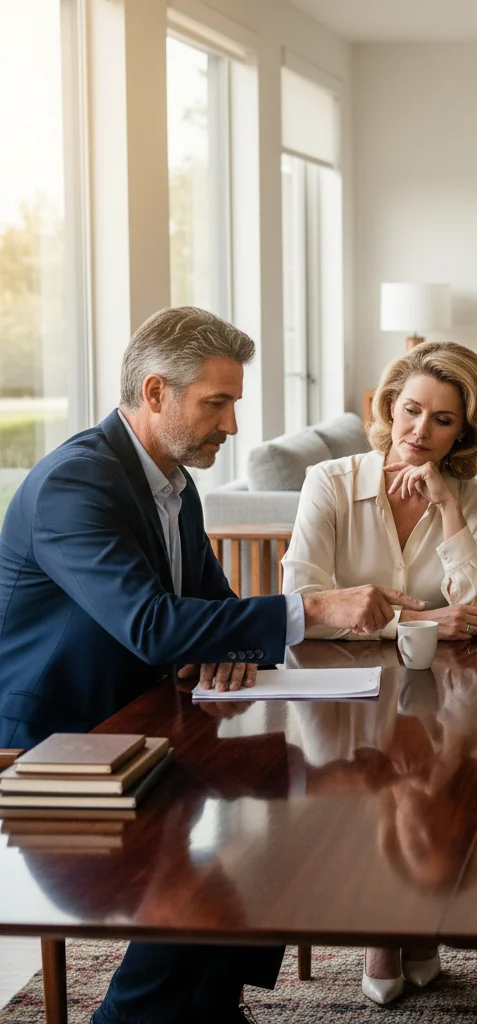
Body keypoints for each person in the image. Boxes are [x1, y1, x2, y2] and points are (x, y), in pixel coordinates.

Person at [0, 306, 425, 1024]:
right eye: (216, 403)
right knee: (215, 876)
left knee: (279, 833)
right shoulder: (76, 485)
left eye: (233, 403)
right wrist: (317, 609)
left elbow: (212, 610)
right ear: (157, 391)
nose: (231, 425)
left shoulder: (172, 485)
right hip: (58, 750)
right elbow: (155, 625)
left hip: (144, 725)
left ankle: (208, 1008)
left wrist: (219, 643)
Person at [282, 339, 477, 1004]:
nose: (421, 432)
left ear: (464, 429)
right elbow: (301, 607)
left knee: (443, 779)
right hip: (337, 689)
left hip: (441, 687)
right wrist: (419, 622)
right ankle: (386, 916)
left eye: (443, 420)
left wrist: (448, 510)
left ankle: (411, 910)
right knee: (372, 780)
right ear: (387, 407)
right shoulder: (330, 482)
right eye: (410, 411)